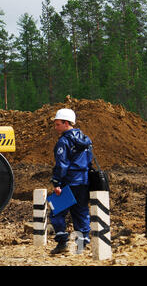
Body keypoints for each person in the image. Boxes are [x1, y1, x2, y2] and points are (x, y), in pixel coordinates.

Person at [49, 108, 93, 254]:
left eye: (57, 124)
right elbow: (89, 161)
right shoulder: (86, 140)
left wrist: (57, 183)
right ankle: (82, 245)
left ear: (66, 123)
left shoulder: (64, 142)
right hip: (84, 182)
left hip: (69, 182)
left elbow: (62, 165)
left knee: (56, 212)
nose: (55, 128)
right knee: (81, 212)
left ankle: (62, 244)